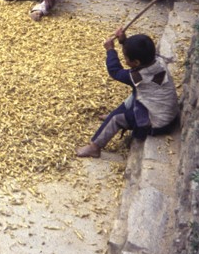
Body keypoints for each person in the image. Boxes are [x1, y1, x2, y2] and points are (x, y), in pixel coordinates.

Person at [76, 27, 179, 158]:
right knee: (134, 96)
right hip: (165, 112)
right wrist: (124, 41)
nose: (124, 59)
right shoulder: (157, 61)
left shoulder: (140, 77)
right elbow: (138, 54)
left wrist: (110, 51)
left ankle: (94, 147)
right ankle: (113, 115)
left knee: (116, 119)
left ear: (136, 62)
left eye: (125, 57)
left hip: (156, 122)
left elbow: (115, 71)